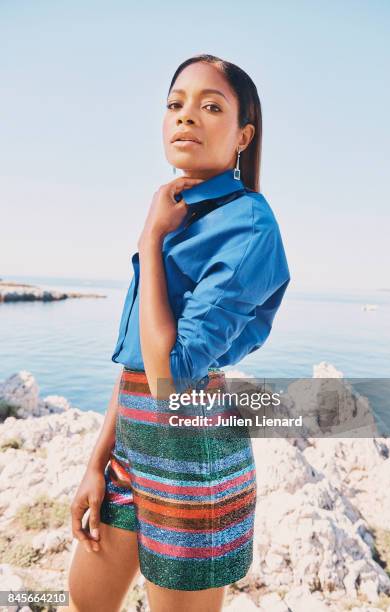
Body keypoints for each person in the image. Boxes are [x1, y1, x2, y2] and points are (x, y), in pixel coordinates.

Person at [67, 53, 290, 612]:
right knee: (85, 600)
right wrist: (97, 462)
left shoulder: (249, 224)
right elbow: (138, 364)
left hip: (195, 465)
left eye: (210, 106)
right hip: (131, 452)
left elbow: (170, 374)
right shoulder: (175, 211)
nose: (186, 116)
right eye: (176, 104)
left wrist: (149, 238)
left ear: (243, 135)